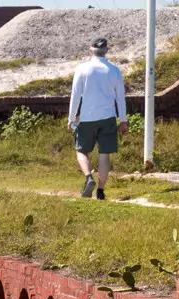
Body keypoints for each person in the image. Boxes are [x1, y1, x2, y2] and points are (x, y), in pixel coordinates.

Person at [69, 36, 129, 200]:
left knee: (81, 150)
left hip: (87, 118)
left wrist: (71, 118)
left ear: (90, 50)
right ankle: (101, 192)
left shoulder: (82, 69)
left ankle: (89, 177)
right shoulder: (114, 70)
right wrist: (122, 120)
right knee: (104, 156)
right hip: (108, 118)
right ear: (106, 51)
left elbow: (76, 96)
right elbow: (120, 98)